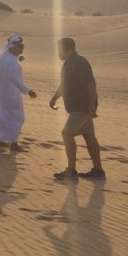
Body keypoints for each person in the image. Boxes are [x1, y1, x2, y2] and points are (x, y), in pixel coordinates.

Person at [49, 37, 103, 180]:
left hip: (82, 107)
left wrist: (91, 107)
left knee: (67, 133)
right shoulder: (68, 63)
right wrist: (54, 98)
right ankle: (98, 171)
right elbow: (64, 84)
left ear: (65, 49)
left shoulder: (79, 63)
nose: (57, 52)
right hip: (79, 107)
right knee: (89, 136)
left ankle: (71, 171)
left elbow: (91, 85)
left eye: (58, 49)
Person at [0, 35, 37, 150]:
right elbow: (13, 77)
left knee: (4, 116)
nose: (22, 49)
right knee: (18, 118)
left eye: (23, 46)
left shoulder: (6, 57)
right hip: (12, 94)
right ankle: (14, 143)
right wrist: (27, 90)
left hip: (4, 93)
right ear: (12, 47)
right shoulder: (11, 59)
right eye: (20, 46)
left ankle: (2, 140)